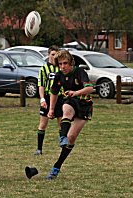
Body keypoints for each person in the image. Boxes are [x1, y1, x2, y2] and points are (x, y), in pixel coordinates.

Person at [46, 50, 94, 180]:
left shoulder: (79, 72)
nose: (63, 67)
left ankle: (57, 166)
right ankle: (62, 137)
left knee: (72, 137)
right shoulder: (58, 75)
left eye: (65, 63)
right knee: (66, 110)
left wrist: (76, 92)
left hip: (84, 105)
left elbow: (90, 89)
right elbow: (54, 93)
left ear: (71, 62)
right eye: (60, 64)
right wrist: (51, 109)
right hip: (71, 101)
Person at [35, 45, 62, 155]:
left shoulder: (61, 68)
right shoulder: (44, 69)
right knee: (42, 124)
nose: (54, 57)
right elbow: (41, 85)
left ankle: (63, 148)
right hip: (47, 97)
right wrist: (42, 99)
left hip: (60, 98)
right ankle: (39, 149)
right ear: (48, 55)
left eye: (56, 54)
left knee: (62, 123)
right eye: (52, 54)